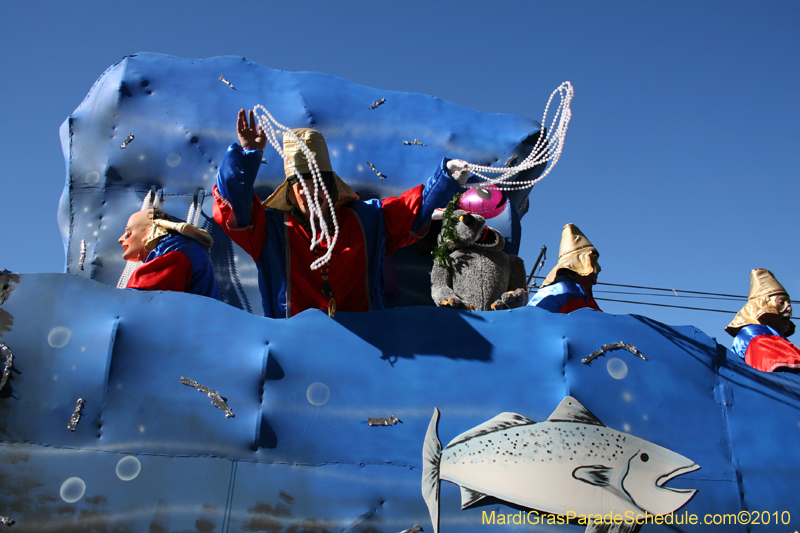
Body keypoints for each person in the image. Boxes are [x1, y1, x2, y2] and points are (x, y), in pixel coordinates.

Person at [212, 109, 468, 318]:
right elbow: (233, 208)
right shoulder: (272, 232)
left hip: (366, 351)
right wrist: (247, 157)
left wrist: (445, 178)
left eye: (318, 181)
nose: (311, 191)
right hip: (296, 355)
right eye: (301, 184)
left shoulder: (367, 220)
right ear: (291, 193)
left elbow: (411, 211)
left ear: (332, 186)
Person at [118, 208, 220, 300]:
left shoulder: (177, 252)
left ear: (151, 230)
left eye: (128, 233)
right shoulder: (178, 249)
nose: (120, 239)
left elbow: (142, 299)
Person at [726, 268, 799, 372]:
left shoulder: (771, 335)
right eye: (781, 303)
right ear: (763, 304)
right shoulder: (756, 336)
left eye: (789, 304)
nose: (789, 308)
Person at [527, 223, 601, 313]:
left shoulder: (581, 295)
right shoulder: (564, 293)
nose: (599, 268)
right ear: (581, 263)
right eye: (594, 260)